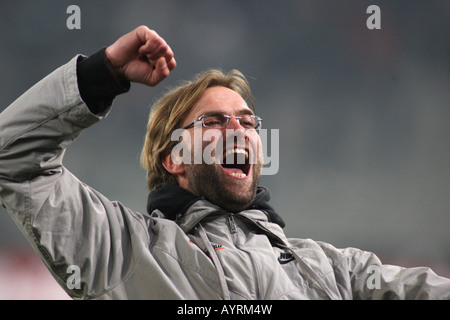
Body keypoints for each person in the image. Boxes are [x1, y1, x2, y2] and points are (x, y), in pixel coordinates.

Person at [0, 25, 448, 300]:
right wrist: (102, 74)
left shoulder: (333, 271)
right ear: (175, 158)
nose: (238, 131)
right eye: (214, 121)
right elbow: (12, 157)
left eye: (248, 121)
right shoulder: (124, 250)